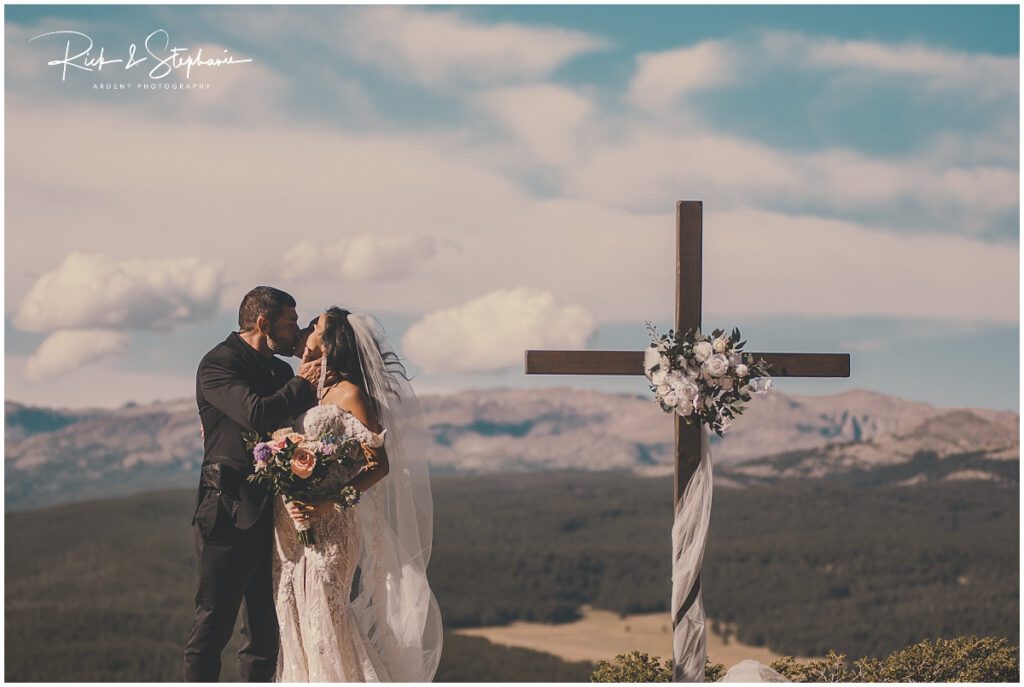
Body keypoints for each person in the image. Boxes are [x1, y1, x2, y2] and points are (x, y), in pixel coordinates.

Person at [272, 307, 443, 682]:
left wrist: (326, 503)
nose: (305, 329)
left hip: (332, 523)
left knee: (327, 616)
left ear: (331, 340)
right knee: (295, 611)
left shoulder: (350, 393)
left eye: (314, 325)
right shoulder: (313, 392)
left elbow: (379, 465)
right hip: (293, 527)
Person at [183, 286, 326, 682]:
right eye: (290, 323)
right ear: (263, 323)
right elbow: (257, 414)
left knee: (266, 632)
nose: (296, 331)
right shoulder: (218, 364)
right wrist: (304, 381)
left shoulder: (280, 371)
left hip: (276, 515)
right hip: (226, 509)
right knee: (212, 626)